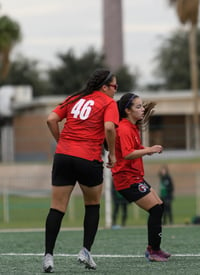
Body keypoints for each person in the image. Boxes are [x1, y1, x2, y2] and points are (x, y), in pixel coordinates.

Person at [42, 69, 119, 273]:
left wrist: (62, 143)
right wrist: (112, 154)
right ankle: (85, 252)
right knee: (92, 205)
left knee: (57, 208)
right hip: (88, 157)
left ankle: (48, 256)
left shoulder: (76, 97)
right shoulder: (108, 102)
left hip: (63, 157)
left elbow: (51, 119)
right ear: (104, 87)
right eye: (115, 87)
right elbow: (110, 128)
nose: (115, 91)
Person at [111, 92, 171, 262]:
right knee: (155, 209)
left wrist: (146, 149)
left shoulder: (132, 126)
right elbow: (128, 153)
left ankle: (155, 249)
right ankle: (153, 251)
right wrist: (149, 149)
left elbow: (135, 148)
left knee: (159, 206)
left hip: (135, 176)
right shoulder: (123, 128)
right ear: (127, 110)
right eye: (138, 106)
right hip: (126, 179)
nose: (142, 109)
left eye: (141, 105)